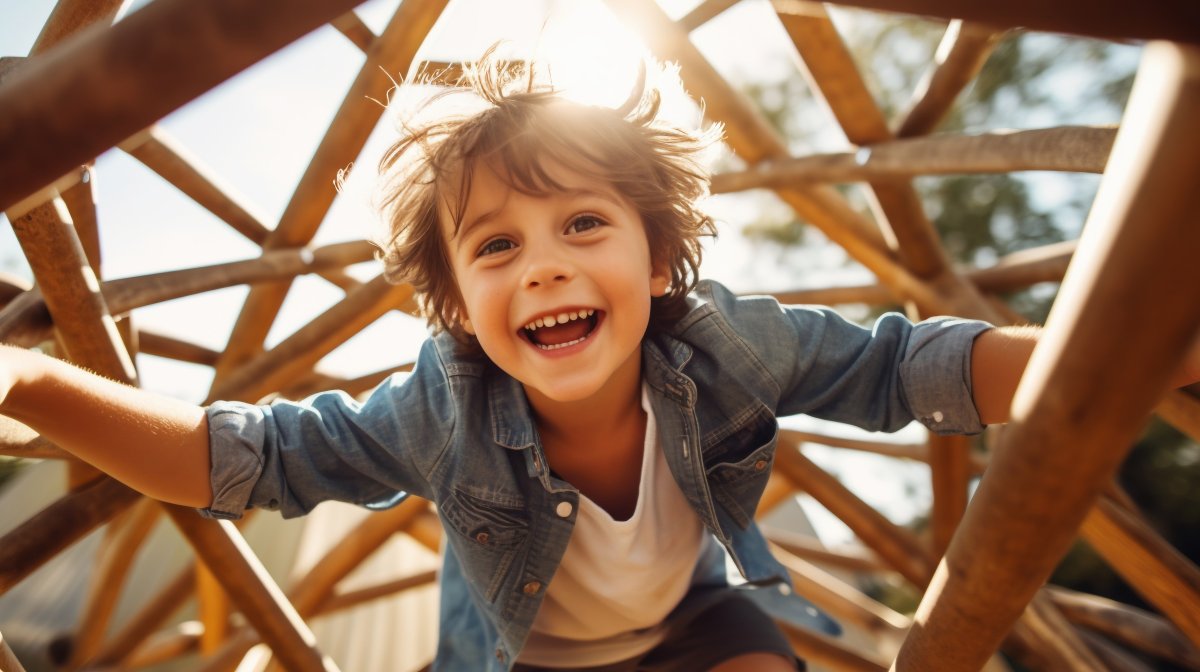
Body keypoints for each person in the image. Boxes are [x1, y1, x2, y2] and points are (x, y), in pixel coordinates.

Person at [0, 56, 1195, 672]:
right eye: (496, 246)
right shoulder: (441, 411)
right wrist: (24, 385)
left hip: (699, 624)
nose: (544, 268)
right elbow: (247, 458)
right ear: (454, 306)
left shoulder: (728, 345)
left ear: (659, 256)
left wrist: (1118, 359)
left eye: (583, 225)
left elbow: (908, 368)